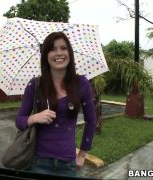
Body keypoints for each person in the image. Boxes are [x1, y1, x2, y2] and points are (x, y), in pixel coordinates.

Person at [15, 32, 97, 177]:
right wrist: (35, 118)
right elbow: (19, 120)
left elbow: (91, 121)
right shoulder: (35, 85)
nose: (59, 53)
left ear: (69, 53)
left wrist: (83, 154)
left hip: (68, 165)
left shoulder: (81, 83)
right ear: (46, 55)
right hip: (38, 163)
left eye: (63, 48)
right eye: (52, 49)